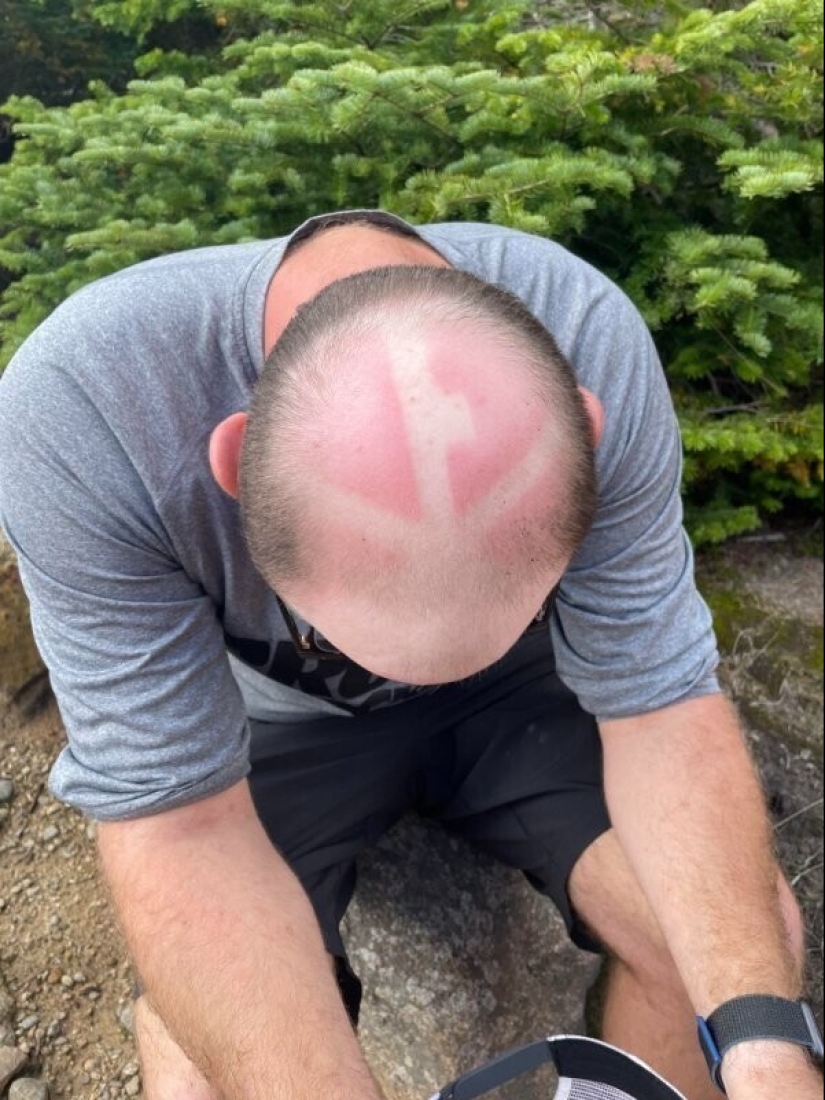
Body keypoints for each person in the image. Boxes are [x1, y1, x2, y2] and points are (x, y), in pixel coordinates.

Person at [0, 210, 820, 1100]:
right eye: (356, 634)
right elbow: (180, 823)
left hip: (517, 698)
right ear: (232, 464)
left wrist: (764, 1044)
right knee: (203, 1063)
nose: (400, 677)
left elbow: (658, 703)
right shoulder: (89, 407)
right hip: (270, 729)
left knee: (733, 955)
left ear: (586, 429)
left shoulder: (581, 332)